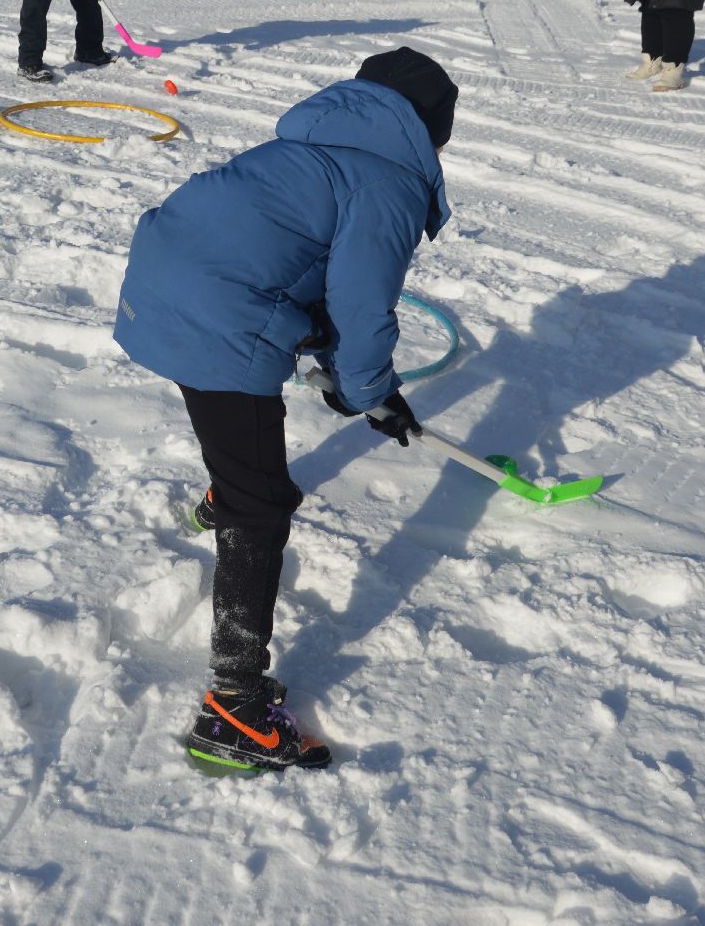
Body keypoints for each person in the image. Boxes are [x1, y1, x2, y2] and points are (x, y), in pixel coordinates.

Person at [113, 47, 459, 771]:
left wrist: (355, 378)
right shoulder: (389, 181)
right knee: (262, 504)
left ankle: (224, 490)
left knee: (242, 438)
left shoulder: (308, 145)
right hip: (220, 314)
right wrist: (369, 393)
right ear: (431, 129)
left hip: (156, 281)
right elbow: (362, 312)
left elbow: (310, 280)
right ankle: (234, 709)